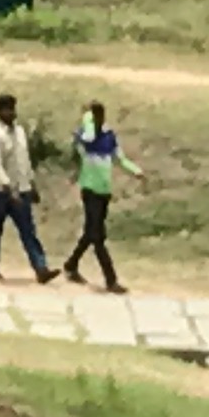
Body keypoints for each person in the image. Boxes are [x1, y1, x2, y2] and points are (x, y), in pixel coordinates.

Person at [61, 100, 140, 291]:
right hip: (90, 191)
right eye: (95, 116)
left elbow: (119, 158)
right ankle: (110, 279)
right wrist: (88, 126)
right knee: (98, 237)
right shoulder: (84, 138)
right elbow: (84, 139)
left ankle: (71, 265)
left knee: (90, 233)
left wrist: (136, 170)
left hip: (104, 192)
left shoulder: (109, 136)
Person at [0, 92, 55, 283]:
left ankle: (41, 268)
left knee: (28, 230)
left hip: (21, 189)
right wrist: (7, 186)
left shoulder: (20, 132)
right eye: (7, 109)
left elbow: (24, 161)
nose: (11, 113)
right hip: (0, 191)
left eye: (13, 108)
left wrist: (31, 184)